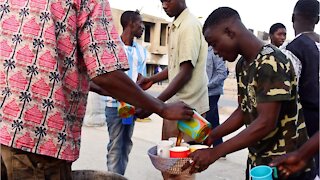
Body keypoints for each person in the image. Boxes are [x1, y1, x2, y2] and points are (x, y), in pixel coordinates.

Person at [0, 0, 194, 179]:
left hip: (6, 126)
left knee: (123, 146)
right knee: (116, 147)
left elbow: (71, 71)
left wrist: (136, 93)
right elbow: (105, 72)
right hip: (38, 137)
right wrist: (162, 108)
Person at [182, 7, 316, 180]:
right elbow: (244, 111)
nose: (214, 51)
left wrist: (216, 152)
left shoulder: (271, 61)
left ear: (230, 32)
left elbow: (266, 122)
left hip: (284, 165)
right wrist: (212, 136)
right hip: (258, 161)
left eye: (214, 43)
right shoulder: (243, 65)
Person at [137, 0, 209, 179]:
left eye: (168, 0)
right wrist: (152, 80)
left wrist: (155, 104)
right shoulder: (176, 26)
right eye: (161, 1)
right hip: (174, 108)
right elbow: (176, 67)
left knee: (179, 171)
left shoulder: (189, 26)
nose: (164, 5)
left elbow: (185, 73)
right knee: (168, 168)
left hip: (186, 112)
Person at [278, 0, 320, 175]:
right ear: (317, 20)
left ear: (293, 17)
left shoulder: (291, 49)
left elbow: (284, 95)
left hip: (304, 127)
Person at [103, 10, 147, 175]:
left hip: (131, 109)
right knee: (115, 146)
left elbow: (142, 81)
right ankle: (112, 177)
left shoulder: (141, 52)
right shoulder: (112, 47)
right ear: (130, 23)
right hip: (113, 106)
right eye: (140, 23)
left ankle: (119, 176)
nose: (143, 27)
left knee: (125, 145)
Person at [206, 46, 228, 147]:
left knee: (206, 120)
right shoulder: (202, 49)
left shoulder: (214, 51)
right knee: (214, 120)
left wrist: (207, 86)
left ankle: (203, 145)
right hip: (204, 92)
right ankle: (218, 144)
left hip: (212, 92)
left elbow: (222, 73)